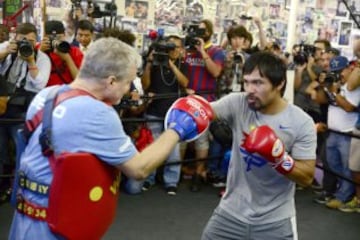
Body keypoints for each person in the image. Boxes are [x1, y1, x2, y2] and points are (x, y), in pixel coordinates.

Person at [8, 37, 213, 239]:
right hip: (55, 226)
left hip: (24, 219)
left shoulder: (47, 94)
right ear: (111, 80)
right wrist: (176, 129)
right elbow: (139, 169)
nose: (128, 89)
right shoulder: (97, 112)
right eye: (127, 82)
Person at [201, 51, 316, 240]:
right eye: (247, 82)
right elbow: (205, 111)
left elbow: (306, 177)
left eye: (258, 83)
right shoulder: (239, 103)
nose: (250, 89)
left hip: (275, 220)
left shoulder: (301, 122)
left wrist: (279, 158)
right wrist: (190, 109)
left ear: (279, 84)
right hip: (230, 213)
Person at [0, 23, 51, 202]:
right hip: (1, 105)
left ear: (36, 41)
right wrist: (5, 53)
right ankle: (3, 184)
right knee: (1, 148)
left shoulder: (42, 58)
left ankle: (20, 188)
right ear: (15, 39)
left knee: (21, 148)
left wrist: (30, 61)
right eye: (23, 41)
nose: (26, 45)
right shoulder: (6, 49)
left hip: (23, 108)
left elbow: (39, 84)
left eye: (30, 41)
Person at [184, 19, 225, 192]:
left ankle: (199, 173)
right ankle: (177, 173)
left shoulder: (216, 51)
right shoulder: (187, 51)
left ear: (208, 33)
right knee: (182, 135)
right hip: (186, 98)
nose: (198, 34)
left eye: (201, 31)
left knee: (201, 137)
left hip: (206, 98)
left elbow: (215, 72)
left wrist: (202, 51)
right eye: (195, 30)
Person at [38, 20, 83, 86]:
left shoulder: (74, 52)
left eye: (58, 38)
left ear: (64, 35)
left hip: (68, 92)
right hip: (45, 92)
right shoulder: (39, 49)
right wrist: (40, 53)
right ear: (45, 37)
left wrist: (67, 58)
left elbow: (80, 81)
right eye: (51, 38)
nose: (55, 41)